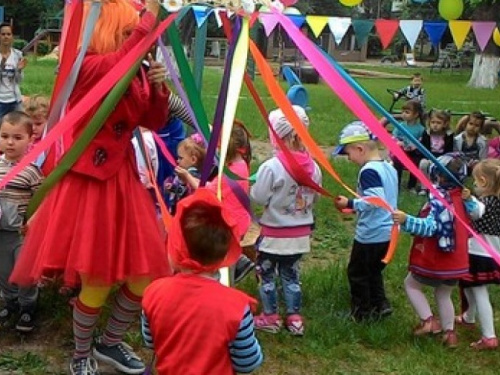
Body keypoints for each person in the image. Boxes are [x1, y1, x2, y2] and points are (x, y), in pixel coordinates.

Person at [9, 1, 171, 374]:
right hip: (88, 185)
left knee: (146, 277)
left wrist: (158, 87)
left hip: (124, 182)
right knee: (96, 279)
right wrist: (147, 26)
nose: (134, 36)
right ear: (110, 31)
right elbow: (111, 71)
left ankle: (109, 343)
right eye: (126, 30)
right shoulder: (87, 66)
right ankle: (81, 353)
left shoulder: (134, 69)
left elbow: (155, 120)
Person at [141, 188, 263, 375]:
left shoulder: (153, 293)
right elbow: (247, 362)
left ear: (176, 247)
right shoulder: (237, 306)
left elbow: (150, 341)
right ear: (224, 256)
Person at [251, 106, 322, 335]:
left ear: (275, 136)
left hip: (273, 236)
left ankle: (270, 317)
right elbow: (316, 197)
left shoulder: (271, 167)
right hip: (300, 237)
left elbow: (259, 197)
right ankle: (294, 318)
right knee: (291, 274)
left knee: (267, 274)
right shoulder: (315, 168)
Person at [392, 153, 473, 347]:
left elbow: (430, 227)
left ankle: (428, 321)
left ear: (439, 175)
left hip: (437, 259)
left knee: (411, 284)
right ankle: (450, 333)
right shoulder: (463, 198)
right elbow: (475, 215)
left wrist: (406, 220)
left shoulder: (439, 201)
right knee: (444, 293)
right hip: (457, 260)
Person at [334, 121, 398, 322]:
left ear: (360, 149)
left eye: (348, 153)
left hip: (371, 234)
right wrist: (358, 208)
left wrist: (351, 202)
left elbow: (375, 200)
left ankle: (361, 313)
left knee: (357, 273)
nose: (349, 158)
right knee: (373, 271)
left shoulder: (369, 171)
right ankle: (380, 305)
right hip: (387, 231)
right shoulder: (388, 167)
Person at [179, 121, 255, 284]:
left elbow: (207, 190)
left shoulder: (231, 173)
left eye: (218, 146)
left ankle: (228, 281)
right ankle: (238, 264)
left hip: (231, 224)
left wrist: (187, 177)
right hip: (237, 220)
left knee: (224, 260)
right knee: (227, 254)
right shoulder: (240, 163)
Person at [0, 111, 43, 333]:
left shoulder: (32, 171)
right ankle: (10, 302)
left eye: (17, 138)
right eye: (5, 136)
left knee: (24, 271)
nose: (10, 142)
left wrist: (33, 221)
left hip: (21, 233)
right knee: (4, 270)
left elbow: (44, 200)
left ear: (30, 139)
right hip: (1, 234)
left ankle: (28, 306)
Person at [457, 159, 500, 350]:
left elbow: (476, 212)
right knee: (469, 284)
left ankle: (489, 336)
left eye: (475, 182)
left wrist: (468, 200)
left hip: (478, 254)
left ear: (483, 181)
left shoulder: (485, 202)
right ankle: (468, 316)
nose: (473, 185)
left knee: (479, 292)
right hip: (492, 253)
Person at [164, 133, 206, 214]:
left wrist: (186, 176)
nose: (177, 161)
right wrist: (173, 188)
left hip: (186, 211)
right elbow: (182, 191)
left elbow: (198, 190)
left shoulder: (194, 175)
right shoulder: (185, 172)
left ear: (193, 159)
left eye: (180, 158)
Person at [417, 109, 454, 195]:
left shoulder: (449, 135)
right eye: (433, 122)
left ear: (444, 124)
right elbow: (424, 148)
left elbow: (449, 150)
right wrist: (429, 158)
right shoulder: (426, 133)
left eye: (438, 123)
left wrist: (441, 159)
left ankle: (440, 186)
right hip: (429, 157)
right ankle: (424, 187)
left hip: (443, 157)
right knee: (423, 163)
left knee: (447, 165)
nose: (435, 125)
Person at [392, 100, 426, 193]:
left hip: (414, 153)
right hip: (402, 151)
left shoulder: (421, 129)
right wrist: (398, 142)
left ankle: (411, 186)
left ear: (416, 114)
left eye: (407, 112)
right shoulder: (400, 125)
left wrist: (415, 146)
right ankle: (396, 184)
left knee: (415, 163)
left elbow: (422, 141)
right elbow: (394, 137)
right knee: (397, 161)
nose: (403, 114)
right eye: (402, 112)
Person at [0, 23, 26, 119]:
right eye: (3, 34)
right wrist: (2, 65)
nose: (6, 37)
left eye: (8, 34)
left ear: (12, 37)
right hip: (1, 101)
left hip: (14, 100)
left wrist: (19, 70)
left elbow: (19, 81)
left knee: (18, 126)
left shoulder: (17, 55)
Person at [24, 95, 50, 167]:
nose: (33, 128)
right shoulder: (22, 137)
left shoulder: (50, 142)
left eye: (38, 124)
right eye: (29, 124)